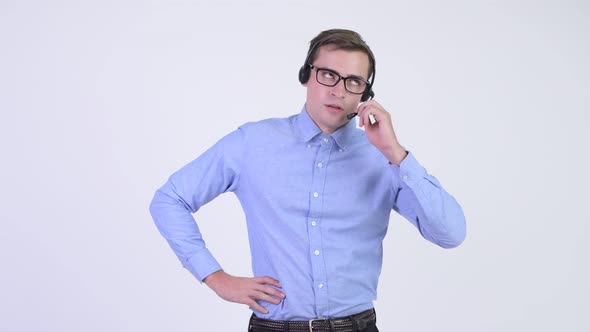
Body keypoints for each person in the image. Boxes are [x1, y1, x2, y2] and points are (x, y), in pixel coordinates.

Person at [150, 28, 466, 332]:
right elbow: (170, 199)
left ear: (365, 93)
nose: (338, 90)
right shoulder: (251, 143)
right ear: (306, 76)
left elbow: (450, 233)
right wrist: (215, 277)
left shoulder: (382, 158)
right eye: (328, 74)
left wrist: (395, 152)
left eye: (353, 81)